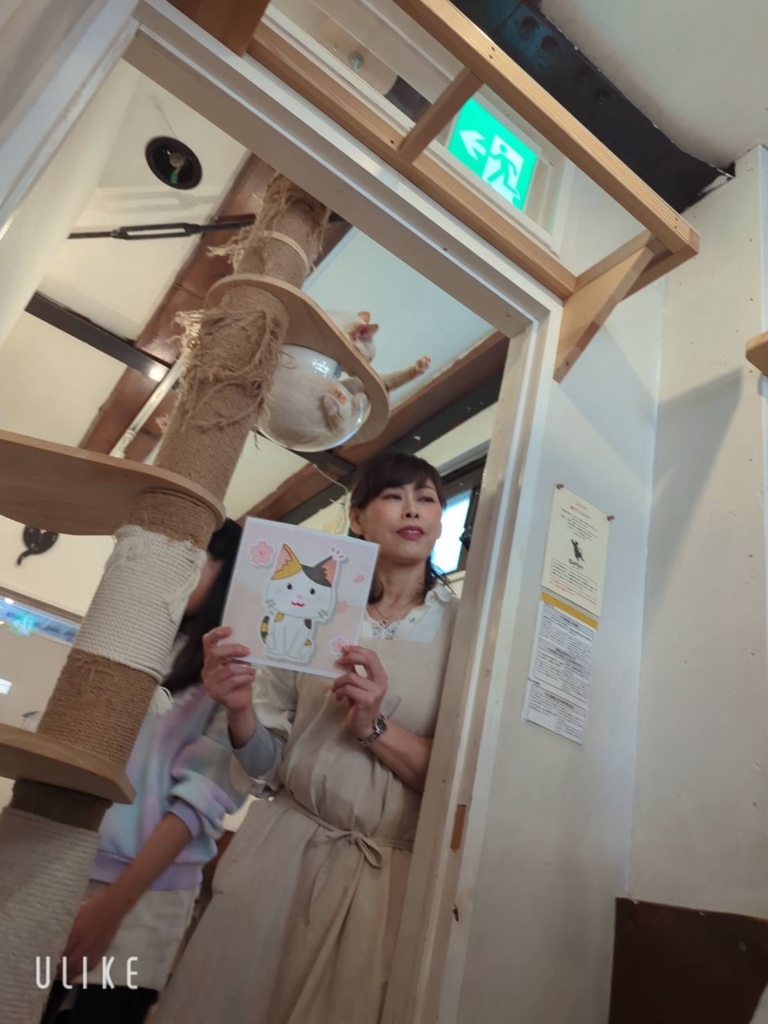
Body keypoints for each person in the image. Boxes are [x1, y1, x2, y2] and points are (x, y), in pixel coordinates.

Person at [153, 452, 459, 1024]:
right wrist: (240, 710)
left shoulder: (466, 630)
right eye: (393, 496)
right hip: (280, 851)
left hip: (385, 878)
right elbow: (266, 764)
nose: (413, 509)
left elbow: (459, 780)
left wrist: (373, 725)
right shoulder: (310, 607)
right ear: (357, 518)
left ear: (441, 520)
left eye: (427, 498)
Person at [41, 519, 249, 1024]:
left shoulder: (236, 672)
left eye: (197, 557)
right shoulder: (145, 646)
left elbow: (200, 802)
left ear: (227, 571)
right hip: (66, 865)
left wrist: (114, 906)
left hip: (147, 896)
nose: (178, 569)